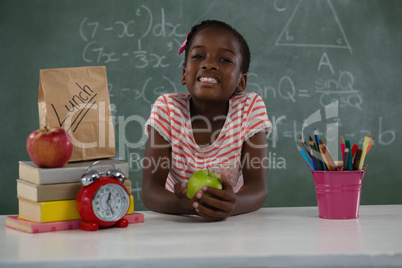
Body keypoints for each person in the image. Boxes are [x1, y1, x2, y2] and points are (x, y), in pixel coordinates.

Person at [141, 20, 272, 222]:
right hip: (176, 227)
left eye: (225, 60)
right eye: (198, 56)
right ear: (184, 74)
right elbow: (150, 191)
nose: (209, 64)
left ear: (241, 81)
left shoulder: (249, 107)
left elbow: (258, 187)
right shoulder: (167, 108)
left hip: (231, 227)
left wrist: (232, 204)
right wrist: (188, 205)